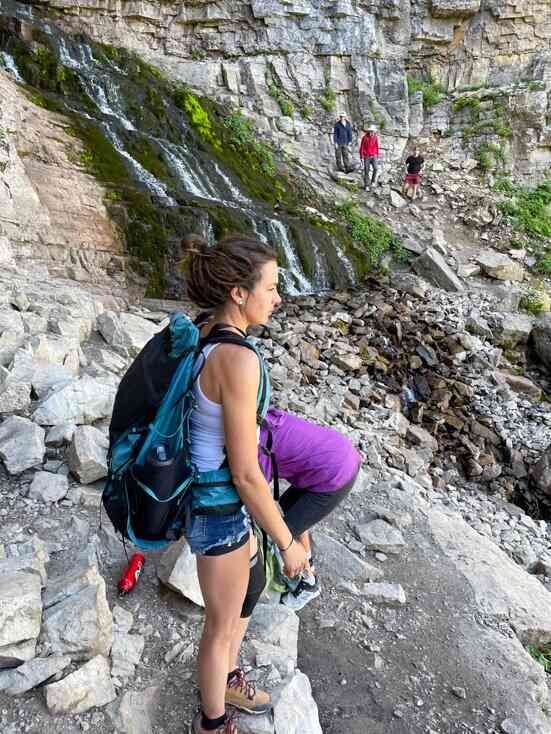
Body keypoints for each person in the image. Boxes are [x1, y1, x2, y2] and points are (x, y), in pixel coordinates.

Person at [181, 233, 360, 733]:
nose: (279, 297)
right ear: (239, 292)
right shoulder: (238, 360)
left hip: (216, 502)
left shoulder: (207, 334)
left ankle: (226, 682)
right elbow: (244, 470)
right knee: (220, 629)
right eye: (272, 287)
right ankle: (212, 722)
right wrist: (288, 540)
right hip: (217, 509)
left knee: (249, 589)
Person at [359, 124, 380, 191]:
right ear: (369, 131)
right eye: (371, 131)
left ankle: (373, 181)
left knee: (376, 168)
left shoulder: (375, 137)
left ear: (374, 132)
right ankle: (367, 185)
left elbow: (376, 146)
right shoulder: (365, 138)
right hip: (366, 156)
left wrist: (377, 155)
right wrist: (361, 157)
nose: (372, 132)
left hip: (374, 156)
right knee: (366, 171)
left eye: (373, 131)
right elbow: (361, 148)